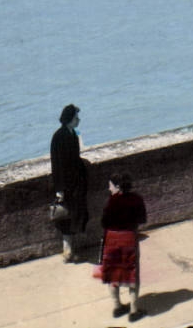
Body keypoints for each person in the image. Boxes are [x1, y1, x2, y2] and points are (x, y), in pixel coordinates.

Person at [96, 174, 147, 319]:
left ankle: (117, 307)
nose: (108, 188)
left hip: (111, 240)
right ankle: (134, 310)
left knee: (112, 275)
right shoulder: (137, 199)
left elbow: (104, 223)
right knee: (132, 275)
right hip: (129, 239)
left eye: (110, 185)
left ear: (118, 187)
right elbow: (142, 219)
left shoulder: (111, 201)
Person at [50, 104, 89, 262]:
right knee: (67, 217)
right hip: (66, 185)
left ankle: (70, 250)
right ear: (70, 119)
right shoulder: (59, 137)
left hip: (75, 184)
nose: (78, 120)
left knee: (75, 216)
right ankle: (68, 251)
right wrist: (59, 189)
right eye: (76, 117)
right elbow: (57, 165)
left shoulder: (72, 134)